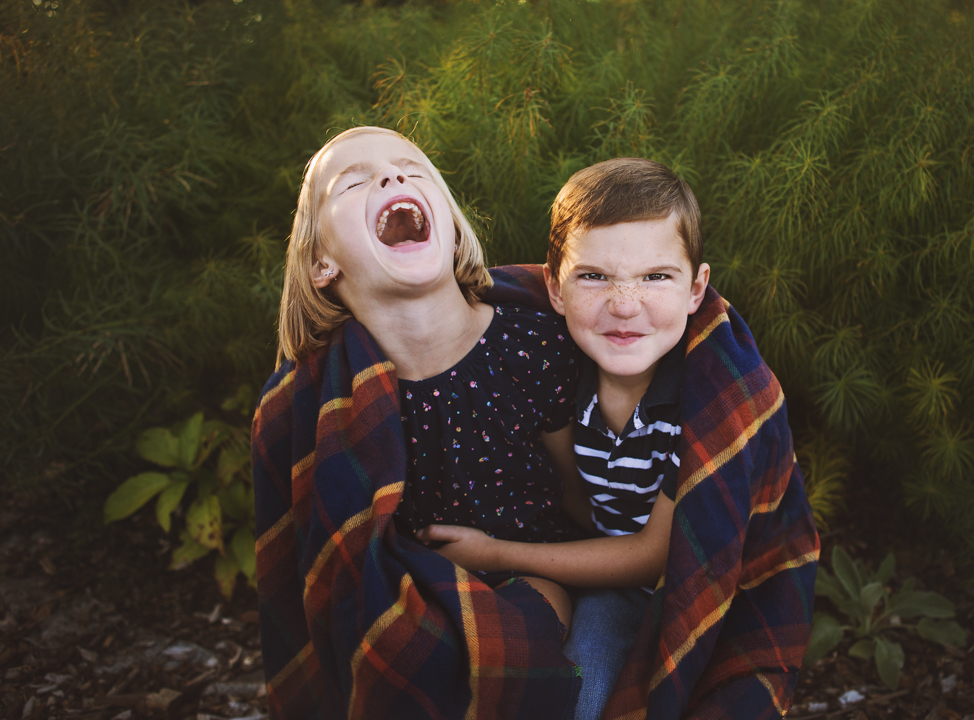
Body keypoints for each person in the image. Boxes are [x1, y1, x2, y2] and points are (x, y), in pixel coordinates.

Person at [419, 158, 820, 719]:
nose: (624, 304)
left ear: (695, 288)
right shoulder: (551, 362)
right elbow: (561, 486)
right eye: (594, 276)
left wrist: (494, 551)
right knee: (470, 673)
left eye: (656, 277)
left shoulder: (707, 402)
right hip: (566, 550)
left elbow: (650, 557)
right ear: (554, 286)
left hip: (660, 586)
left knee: (579, 699)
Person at [253, 126, 587, 719]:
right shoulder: (326, 404)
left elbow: (586, 509)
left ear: (451, 225)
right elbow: (339, 564)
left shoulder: (529, 346)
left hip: (545, 582)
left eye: (412, 169)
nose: (391, 177)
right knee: (403, 667)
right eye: (354, 182)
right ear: (320, 262)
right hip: (410, 603)